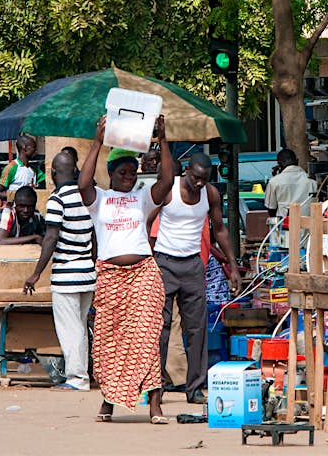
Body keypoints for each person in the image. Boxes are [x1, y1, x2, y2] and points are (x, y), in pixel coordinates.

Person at [78, 115, 175, 424]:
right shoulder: (99, 200)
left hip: (144, 273)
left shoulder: (143, 198)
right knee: (109, 340)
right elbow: (83, 183)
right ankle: (108, 402)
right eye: (122, 172)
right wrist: (97, 142)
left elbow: (168, 181)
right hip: (109, 277)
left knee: (147, 338)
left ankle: (155, 405)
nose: (129, 177)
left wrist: (163, 139)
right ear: (110, 174)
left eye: (133, 172)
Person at [153, 152, 242, 405]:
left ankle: (194, 389)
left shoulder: (211, 194)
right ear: (187, 172)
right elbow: (148, 221)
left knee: (197, 330)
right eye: (196, 178)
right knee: (161, 329)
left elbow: (220, 230)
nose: (200, 183)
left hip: (193, 265)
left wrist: (232, 267)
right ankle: (155, 389)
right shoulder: (169, 189)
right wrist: (148, 261)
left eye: (205, 179)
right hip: (165, 263)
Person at [25, 151, 97, 390]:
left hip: (66, 275)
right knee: (81, 326)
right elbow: (94, 236)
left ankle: (77, 379)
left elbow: (51, 237)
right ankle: (82, 375)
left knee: (71, 329)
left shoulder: (57, 199)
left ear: (53, 172)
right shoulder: (87, 195)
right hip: (87, 273)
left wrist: (36, 274)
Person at [265, 148, 316, 218]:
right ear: (297, 161)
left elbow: (271, 208)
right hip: (308, 225)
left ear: (279, 164)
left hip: (284, 224)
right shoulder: (311, 181)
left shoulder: (274, 181)